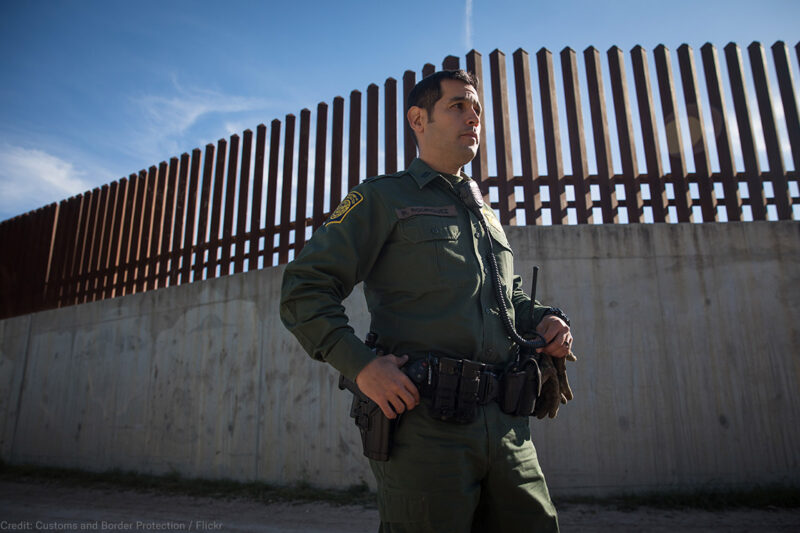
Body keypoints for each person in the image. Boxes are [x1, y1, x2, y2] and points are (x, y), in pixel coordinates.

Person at [280, 69, 573, 532]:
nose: (472, 117)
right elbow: (304, 287)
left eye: (476, 108)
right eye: (458, 106)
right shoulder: (381, 197)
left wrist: (545, 321)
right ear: (418, 119)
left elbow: (507, 298)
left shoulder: (483, 210)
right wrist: (360, 365)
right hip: (426, 429)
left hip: (509, 429)